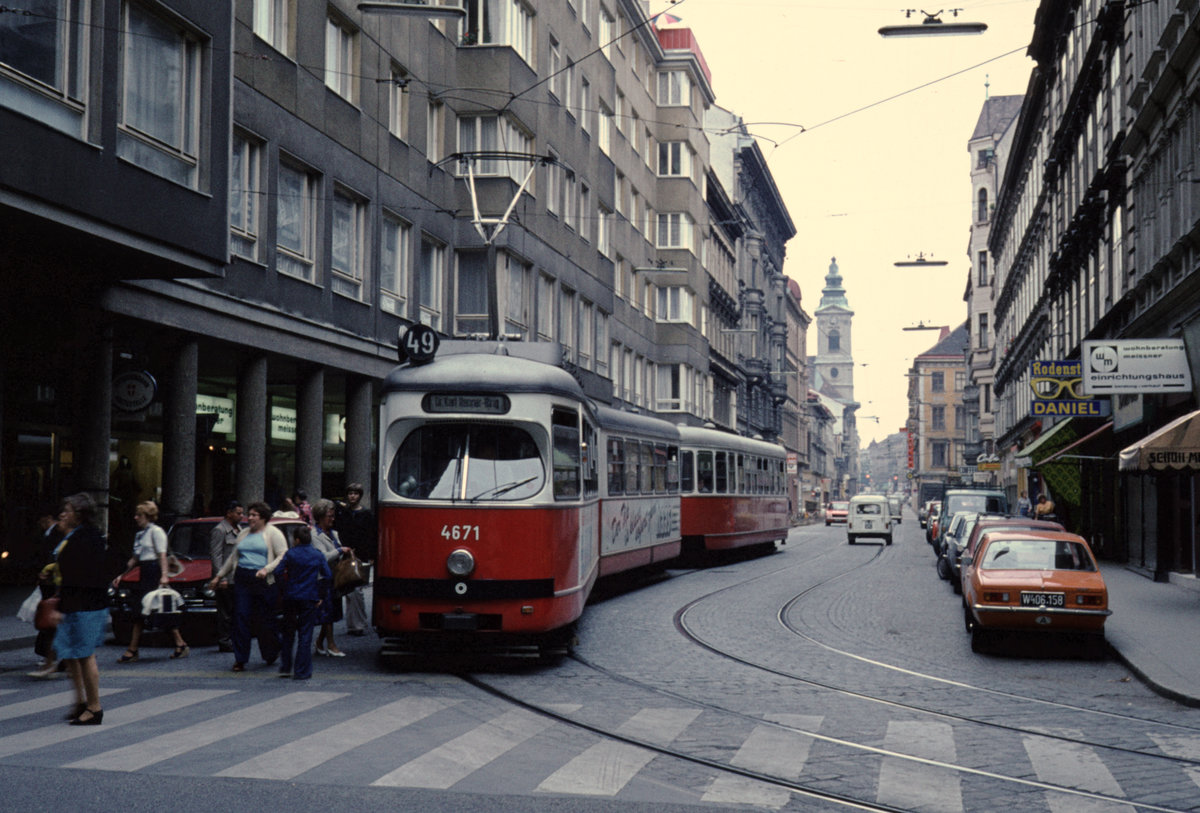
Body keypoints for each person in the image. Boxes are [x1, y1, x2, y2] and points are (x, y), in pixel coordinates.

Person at [208, 501, 287, 672]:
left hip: (263, 581)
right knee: (240, 617)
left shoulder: (273, 533)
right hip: (243, 578)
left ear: (263, 518)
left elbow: (282, 555)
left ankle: (271, 651)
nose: (249, 518)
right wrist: (219, 576)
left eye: (253, 515)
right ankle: (240, 659)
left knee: (265, 620)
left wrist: (267, 569)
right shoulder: (243, 533)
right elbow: (233, 557)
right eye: (249, 514)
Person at [53, 492, 109, 725]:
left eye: (67, 511)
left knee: (85, 655)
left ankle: (94, 707)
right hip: (76, 603)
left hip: (85, 604)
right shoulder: (77, 535)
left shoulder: (86, 538)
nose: (63, 515)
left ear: (79, 514)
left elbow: (78, 574)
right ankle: (80, 701)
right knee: (70, 654)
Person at [113, 501, 189, 662]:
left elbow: (162, 555)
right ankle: (179, 644)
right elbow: (135, 559)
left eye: (139, 515)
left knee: (154, 609)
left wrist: (164, 576)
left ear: (147, 516)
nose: (136, 518)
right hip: (144, 571)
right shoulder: (140, 534)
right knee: (144, 610)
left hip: (154, 571)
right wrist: (122, 575)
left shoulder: (157, 532)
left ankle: (133, 649)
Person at [270, 526, 331, 680]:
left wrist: (284, 589)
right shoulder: (317, 555)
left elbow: (277, 572)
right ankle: (301, 670)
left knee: (288, 632)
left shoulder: (290, 554)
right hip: (309, 596)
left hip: (291, 596)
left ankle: (285, 667)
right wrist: (321, 595)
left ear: (297, 540)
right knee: (305, 634)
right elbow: (327, 576)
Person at [310, 499, 351, 657]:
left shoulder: (334, 533)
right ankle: (331, 645)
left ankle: (320, 642)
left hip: (335, 577)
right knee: (327, 611)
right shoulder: (315, 535)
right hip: (322, 578)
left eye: (333, 516)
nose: (332, 519)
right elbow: (323, 557)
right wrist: (340, 550)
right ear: (320, 517)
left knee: (332, 612)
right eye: (329, 516)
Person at [335, 483, 376, 637]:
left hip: (362, 555)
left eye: (355, 493)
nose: (352, 496)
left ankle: (358, 623)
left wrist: (371, 555)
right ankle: (353, 624)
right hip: (346, 554)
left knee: (357, 590)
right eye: (350, 493)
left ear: (360, 496)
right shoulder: (343, 513)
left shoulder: (366, 514)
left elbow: (371, 536)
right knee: (348, 589)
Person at [29, 513, 66, 679]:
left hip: (63, 587)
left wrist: (47, 570)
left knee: (57, 626)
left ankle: (55, 662)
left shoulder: (67, 538)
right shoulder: (63, 537)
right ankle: (52, 662)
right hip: (57, 586)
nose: (61, 521)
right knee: (53, 626)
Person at [209, 500, 244, 653]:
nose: (241, 516)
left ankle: (234, 638)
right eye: (238, 513)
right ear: (229, 513)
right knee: (225, 612)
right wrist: (220, 577)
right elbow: (216, 555)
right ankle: (224, 640)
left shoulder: (240, 529)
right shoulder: (220, 530)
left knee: (236, 610)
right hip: (226, 578)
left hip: (237, 577)